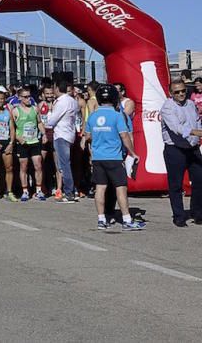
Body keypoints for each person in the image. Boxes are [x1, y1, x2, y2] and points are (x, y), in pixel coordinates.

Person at [84, 84, 145, 231]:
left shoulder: (93, 116)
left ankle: (101, 219)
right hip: (114, 157)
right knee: (120, 188)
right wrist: (133, 152)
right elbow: (124, 135)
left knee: (100, 188)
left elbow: (88, 136)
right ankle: (127, 219)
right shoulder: (117, 116)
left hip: (98, 158)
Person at [159, 79, 202, 227]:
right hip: (175, 149)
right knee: (176, 184)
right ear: (171, 93)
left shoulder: (191, 104)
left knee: (199, 179)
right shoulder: (167, 108)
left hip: (192, 147)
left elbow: (197, 120)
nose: (181, 94)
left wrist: (197, 136)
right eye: (177, 92)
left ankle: (198, 213)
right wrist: (196, 132)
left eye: (183, 90)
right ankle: (179, 216)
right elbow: (176, 128)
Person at [47, 76, 79, 203]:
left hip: (61, 135)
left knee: (64, 165)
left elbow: (51, 121)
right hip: (69, 133)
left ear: (57, 88)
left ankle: (69, 192)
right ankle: (70, 190)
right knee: (65, 164)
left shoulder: (61, 102)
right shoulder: (72, 101)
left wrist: (50, 111)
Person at [13, 86, 46, 201]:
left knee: (38, 165)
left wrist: (44, 134)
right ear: (20, 98)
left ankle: (38, 190)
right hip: (23, 143)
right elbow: (12, 129)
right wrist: (18, 138)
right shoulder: (16, 111)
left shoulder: (35, 108)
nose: (28, 99)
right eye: (25, 97)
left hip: (34, 141)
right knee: (24, 167)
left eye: (29, 96)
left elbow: (39, 123)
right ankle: (25, 191)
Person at [37, 85, 57, 199]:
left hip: (55, 135)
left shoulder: (57, 105)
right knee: (41, 163)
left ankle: (57, 187)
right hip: (44, 135)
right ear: (43, 94)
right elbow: (38, 121)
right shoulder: (40, 106)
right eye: (47, 94)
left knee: (56, 163)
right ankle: (43, 186)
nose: (49, 96)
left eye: (51, 93)